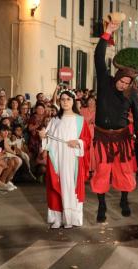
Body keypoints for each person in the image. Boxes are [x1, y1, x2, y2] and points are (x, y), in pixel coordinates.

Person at [91, 19, 138, 223]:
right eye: (122, 81)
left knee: (124, 170)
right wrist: (107, 33)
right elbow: (98, 57)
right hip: (103, 136)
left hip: (123, 137)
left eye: (127, 83)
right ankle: (102, 205)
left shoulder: (132, 93)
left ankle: (124, 200)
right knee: (102, 171)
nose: (124, 85)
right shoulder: (105, 83)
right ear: (117, 78)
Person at [39, 90, 91, 229]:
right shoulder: (55, 120)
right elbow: (48, 139)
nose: (65, 102)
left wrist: (78, 142)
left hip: (72, 159)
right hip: (57, 159)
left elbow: (87, 140)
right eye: (62, 99)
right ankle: (57, 218)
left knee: (70, 186)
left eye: (68, 99)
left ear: (73, 101)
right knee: (56, 186)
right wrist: (43, 136)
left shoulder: (80, 120)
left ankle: (70, 218)